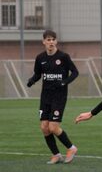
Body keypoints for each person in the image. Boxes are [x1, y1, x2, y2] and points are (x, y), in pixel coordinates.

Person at [26, 30, 79, 164]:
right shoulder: (40, 58)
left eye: (53, 39)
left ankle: (72, 148)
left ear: (56, 41)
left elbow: (75, 72)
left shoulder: (63, 57)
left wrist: (64, 82)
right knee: (44, 127)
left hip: (59, 96)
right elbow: (38, 74)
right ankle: (56, 155)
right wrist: (32, 81)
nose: (50, 42)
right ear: (43, 41)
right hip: (45, 96)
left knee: (53, 127)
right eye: (48, 40)